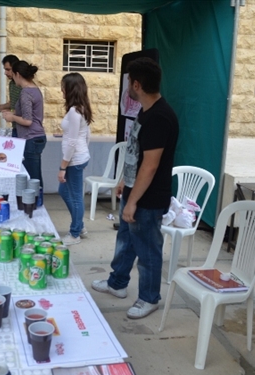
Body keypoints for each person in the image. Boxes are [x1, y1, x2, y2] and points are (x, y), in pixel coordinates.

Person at [91, 57, 179, 319]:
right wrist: (123, 181)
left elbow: (150, 166)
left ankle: (149, 298)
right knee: (126, 241)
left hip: (149, 199)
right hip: (134, 190)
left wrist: (132, 202)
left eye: (129, 81)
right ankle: (117, 283)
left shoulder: (160, 117)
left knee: (148, 249)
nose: (128, 85)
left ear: (137, 84)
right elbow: (136, 154)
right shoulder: (146, 111)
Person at [57, 73, 92, 246]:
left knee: (77, 198)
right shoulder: (81, 107)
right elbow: (85, 134)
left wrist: (63, 166)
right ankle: (80, 226)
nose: (61, 90)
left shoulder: (74, 111)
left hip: (74, 160)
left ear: (71, 89)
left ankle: (75, 233)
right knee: (64, 191)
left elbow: (72, 142)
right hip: (78, 157)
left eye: (63, 87)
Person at [2, 61, 46, 188]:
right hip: (36, 137)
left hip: (31, 137)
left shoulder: (25, 92)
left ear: (18, 74)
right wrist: (12, 113)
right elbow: (27, 112)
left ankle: (36, 204)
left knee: (32, 177)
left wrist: (12, 117)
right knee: (35, 176)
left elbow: (27, 120)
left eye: (12, 74)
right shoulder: (34, 89)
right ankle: (37, 202)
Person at [0, 54, 21, 137]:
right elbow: (13, 103)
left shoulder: (24, 86)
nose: (5, 73)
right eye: (5, 69)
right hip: (15, 127)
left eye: (8, 69)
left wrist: (11, 113)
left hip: (26, 131)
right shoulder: (12, 84)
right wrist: (0, 107)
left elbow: (26, 110)